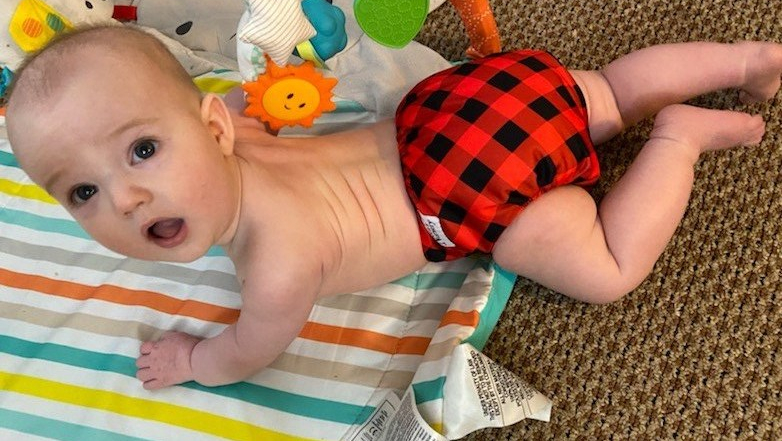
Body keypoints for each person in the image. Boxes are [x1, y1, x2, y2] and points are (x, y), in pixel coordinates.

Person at [5, 25, 781, 390]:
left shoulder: (276, 262)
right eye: (82, 192)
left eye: (142, 149)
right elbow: (261, 93)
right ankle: (747, 59)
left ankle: (677, 140)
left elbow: (246, 349)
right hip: (452, 105)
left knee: (606, 267)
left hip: (466, 191)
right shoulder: (235, 120)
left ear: (209, 126)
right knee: (608, 89)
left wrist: (192, 361)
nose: (126, 198)